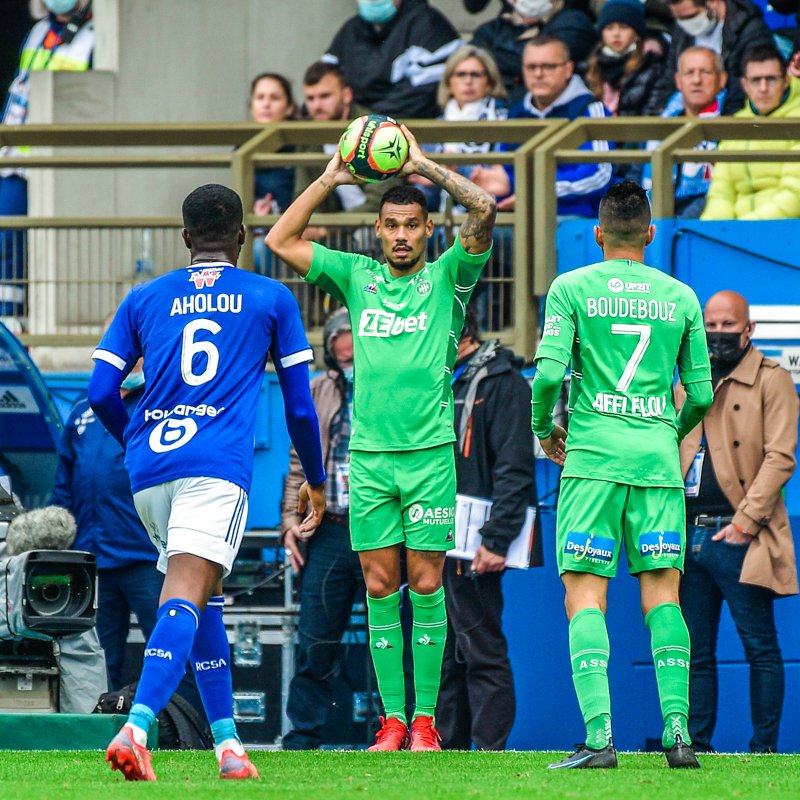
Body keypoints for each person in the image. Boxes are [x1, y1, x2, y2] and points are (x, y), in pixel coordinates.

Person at [265, 126, 496, 752]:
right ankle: (392, 722)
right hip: (368, 463)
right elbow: (278, 239)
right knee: (377, 589)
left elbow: (484, 208)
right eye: (390, 224)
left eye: (411, 225)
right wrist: (329, 179)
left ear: (427, 230)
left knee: (425, 585)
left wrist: (423, 164)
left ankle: (425, 725)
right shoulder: (356, 276)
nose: (400, 235)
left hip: (428, 460)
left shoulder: (450, 275)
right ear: (378, 230)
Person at [89, 183, 327, 781]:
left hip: (149, 472)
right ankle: (137, 728)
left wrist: (135, 439)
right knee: (186, 594)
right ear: (244, 237)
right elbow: (300, 408)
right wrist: (315, 479)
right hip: (214, 469)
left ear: (186, 238)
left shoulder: (145, 298)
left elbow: (99, 393)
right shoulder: (271, 298)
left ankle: (228, 746)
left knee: (203, 600)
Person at [531, 180, 713, 769]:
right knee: (664, 598)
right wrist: (667, 429)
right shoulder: (681, 297)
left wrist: (543, 428)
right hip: (657, 465)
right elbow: (704, 396)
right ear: (651, 235)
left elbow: (549, 378)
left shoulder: (572, 288)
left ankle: (600, 740)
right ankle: (680, 738)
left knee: (586, 597)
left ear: (599, 234)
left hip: (593, 464)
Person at [677, 289, 799, 754]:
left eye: (729, 325)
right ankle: (696, 745)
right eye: (712, 323)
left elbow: (781, 457)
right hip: (689, 534)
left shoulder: (773, 380)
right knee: (694, 653)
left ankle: (764, 749)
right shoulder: (688, 380)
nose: (719, 333)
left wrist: (745, 523)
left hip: (740, 535)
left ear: (750, 330)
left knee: (761, 648)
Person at [436, 305, 535, 751]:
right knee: (440, 657)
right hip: (431, 538)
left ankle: (489, 754)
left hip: (475, 543)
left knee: (481, 650)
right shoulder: (438, 380)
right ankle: (446, 753)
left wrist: (495, 539)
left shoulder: (505, 383)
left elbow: (516, 469)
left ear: (460, 335)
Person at [50, 341, 161, 692]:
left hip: (148, 559)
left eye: (136, 349)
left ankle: (182, 732)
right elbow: (63, 486)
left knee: (168, 651)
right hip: (92, 561)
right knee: (96, 661)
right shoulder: (85, 408)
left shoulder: (160, 403)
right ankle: (105, 736)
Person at [280, 308, 366, 751]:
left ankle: (399, 732)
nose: (347, 347)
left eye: (354, 338)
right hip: (331, 528)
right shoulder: (317, 389)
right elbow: (298, 462)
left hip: (381, 530)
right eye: (340, 340)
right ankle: (303, 735)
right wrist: (290, 522)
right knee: (315, 638)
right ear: (330, 347)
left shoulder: (390, 384)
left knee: (397, 639)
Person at [0, 0, 94, 316]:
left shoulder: (93, 36)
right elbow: (19, 91)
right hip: (13, 156)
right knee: (6, 242)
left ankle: (12, 325)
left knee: (23, 248)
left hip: (55, 164)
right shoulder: (39, 31)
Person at [488, 35, 613, 216]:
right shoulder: (515, 113)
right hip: (519, 218)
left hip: (575, 222)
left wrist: (533, 191)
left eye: (548, 66)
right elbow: (504, 174)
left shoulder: (591, 109)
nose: (538, 74)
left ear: (568, 69)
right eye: (531, 67)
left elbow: (599, 175)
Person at [702, 45, 800, 220]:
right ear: (744, 84)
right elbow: (721, 194)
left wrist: (743, 230)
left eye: (771, 79)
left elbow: (794, 196)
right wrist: (713, 233)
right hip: (738, 232)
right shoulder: (737, 124)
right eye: (756, 80)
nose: (763, 88)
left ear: (786, 81)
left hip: (787, 233)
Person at [322, 0, 462, 119]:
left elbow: (424, 95)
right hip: (359, 131)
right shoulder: (351, 30)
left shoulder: (428, 25)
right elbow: (321, 82)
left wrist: (370, 119)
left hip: (413, 132)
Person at [639, 46, 727, 218]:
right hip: (653, 211)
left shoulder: (730, 119)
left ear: (722, 79)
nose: (696, 80)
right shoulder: (661, 123)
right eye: (689, 73)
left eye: (705, 72)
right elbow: (636, 172)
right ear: (678, 81)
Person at [646, 0, 772, 115]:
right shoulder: (682, 30)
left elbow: (743, 88)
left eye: (692, 16)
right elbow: (669, 81)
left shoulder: (749, 29)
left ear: (713, 2)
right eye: (680, 19)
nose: (687, 24)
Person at [472, 0, 598, 100]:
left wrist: (488, 58)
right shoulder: (498, 26)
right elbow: (469, 57)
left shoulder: (574, 21)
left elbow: (536, 59)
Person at [248, 72, 296, 277]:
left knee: (260, 250)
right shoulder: (243, 148)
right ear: (251, 106)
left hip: (296, 234)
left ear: (290, 107)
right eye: (260, 98)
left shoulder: (299, 146)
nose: (266, 104)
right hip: (255, 233)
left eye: (274, 98)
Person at [584, 0, 663, 117]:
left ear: (636, 32)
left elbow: (652, 111)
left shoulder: (651, 66)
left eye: (624, 27)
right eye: (609, 28)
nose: (616, 33)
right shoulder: (589, 67)